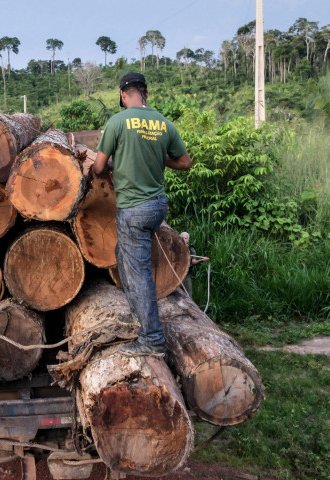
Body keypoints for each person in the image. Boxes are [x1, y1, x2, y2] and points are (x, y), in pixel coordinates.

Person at [94, 72, 191, 357]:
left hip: (133, 209)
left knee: (139, 276)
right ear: (145, 93)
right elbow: (184, 162)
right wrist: (159, 156)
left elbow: (99, 168)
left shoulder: (118, 122)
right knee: (123, 258)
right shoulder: (163, 122)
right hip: (157, 205)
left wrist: (115, 162)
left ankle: (152, 340)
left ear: (124, 95)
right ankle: (140, 320)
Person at [180, 231, 209, 301]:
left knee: (188, 295)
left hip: (185, 275)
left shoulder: (190, 249)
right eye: (182, 238)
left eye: (185, 238)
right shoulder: (173, 248)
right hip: (174, 274)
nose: (183, 239)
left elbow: (193, 261)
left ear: (188, 240)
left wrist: (202, 260)